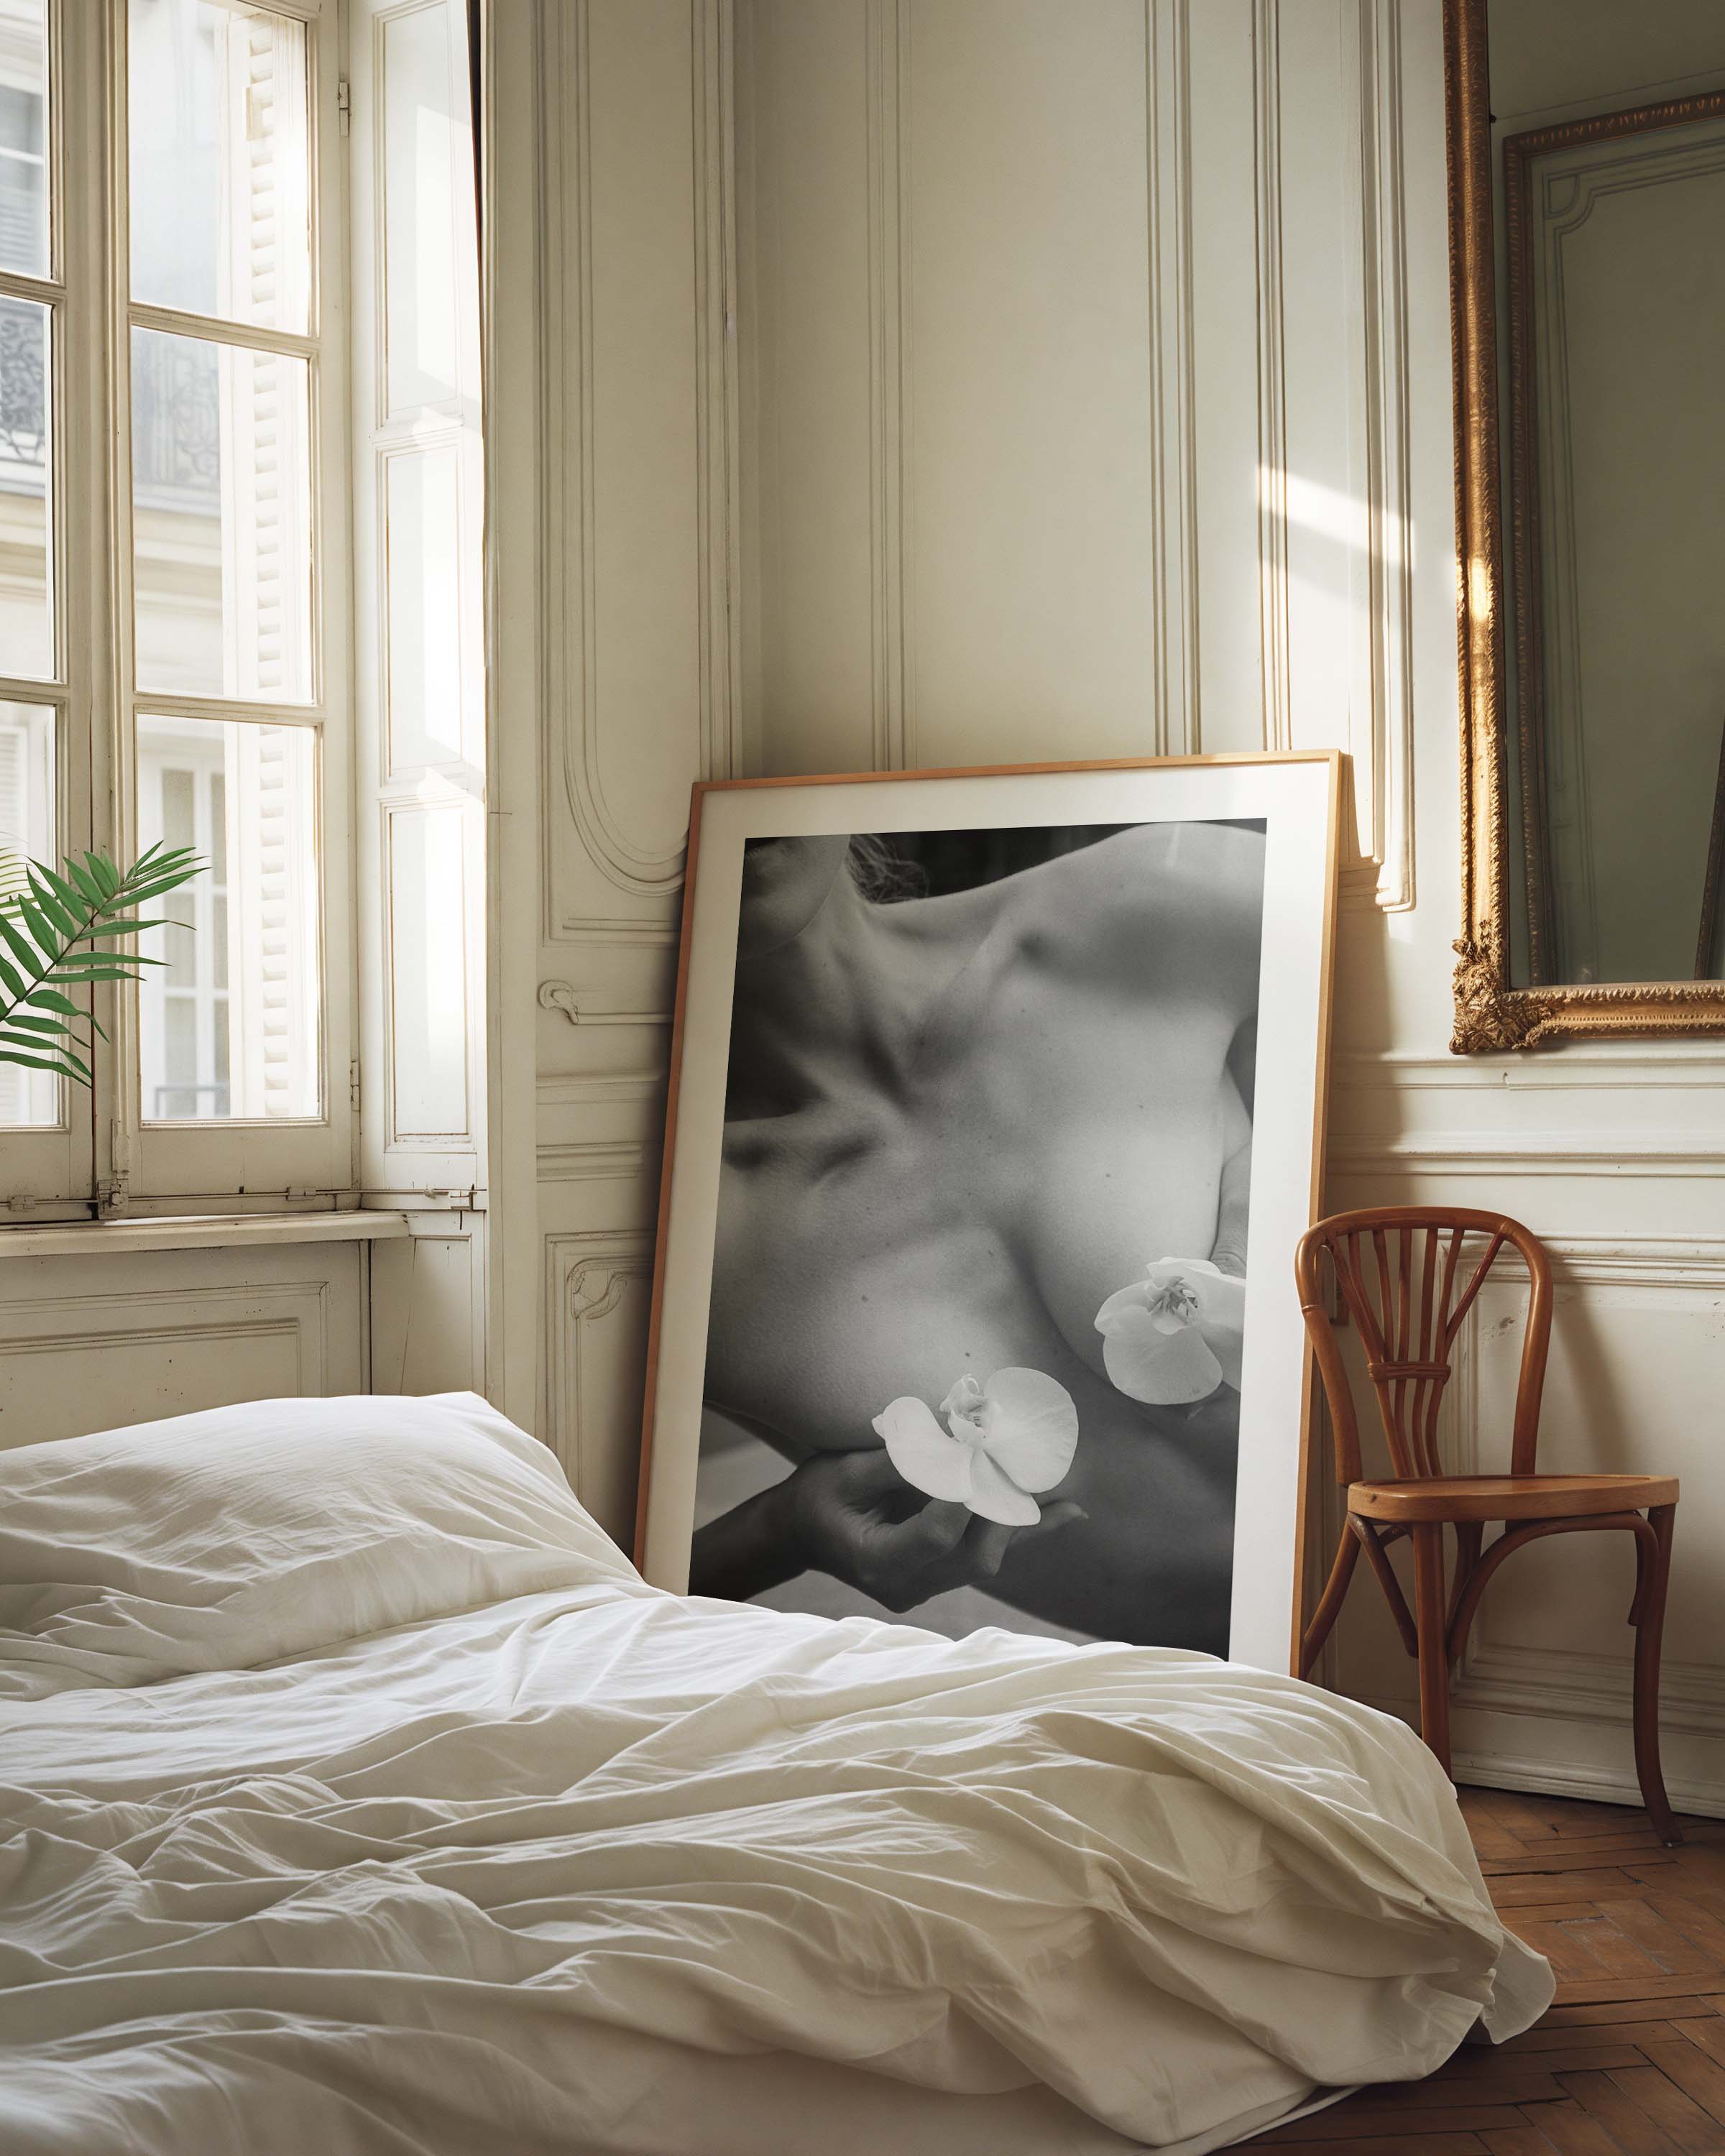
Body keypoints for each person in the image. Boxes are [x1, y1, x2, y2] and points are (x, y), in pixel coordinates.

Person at [690, 819, 1264, 1651]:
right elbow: (538, 1610)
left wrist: (1262, 1180)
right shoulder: (677, 1239)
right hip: (1276, 1703)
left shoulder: (1161, 903)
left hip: (1499, 1564)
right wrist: (780, 1531)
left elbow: (1462, 1016)